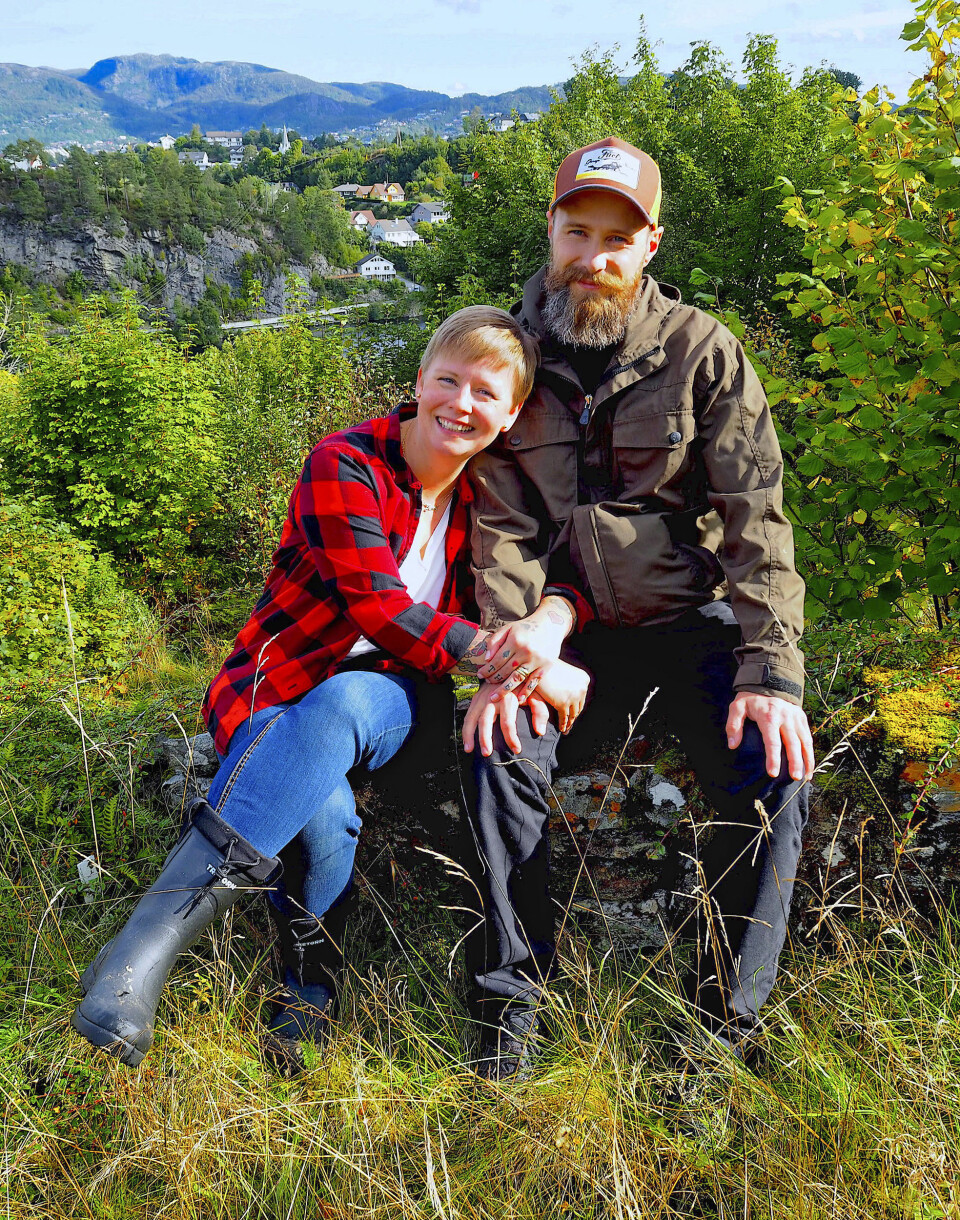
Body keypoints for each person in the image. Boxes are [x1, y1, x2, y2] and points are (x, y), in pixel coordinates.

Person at [71, 305, 589, 1070]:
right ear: (420, 381)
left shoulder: (489, 504)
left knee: (346, 703)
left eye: (486, 393)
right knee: (326, 811)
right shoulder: (345, 461)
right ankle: (291, 991)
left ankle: (135, 950)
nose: (463, 404)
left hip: (386, 695)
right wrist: (512, 657)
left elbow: (519, 588)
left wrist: (543, 633)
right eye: (448, 381)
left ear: (511, 414)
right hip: (274, 684)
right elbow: (376, 606)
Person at [458, 138, 815, 1078]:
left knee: (776, 769)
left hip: (680, 625)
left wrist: (771, 672)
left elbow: (756, 519)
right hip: (556, 636)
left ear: (650, 243)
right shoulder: (508, 359)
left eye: (618, 238)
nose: (595, 257)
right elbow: (500, 531)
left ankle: (717, 1038)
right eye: (579, 232)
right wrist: (510, 658)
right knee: (497, 747)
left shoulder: (703, 351)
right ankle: (511, 1022)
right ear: (551, 230)